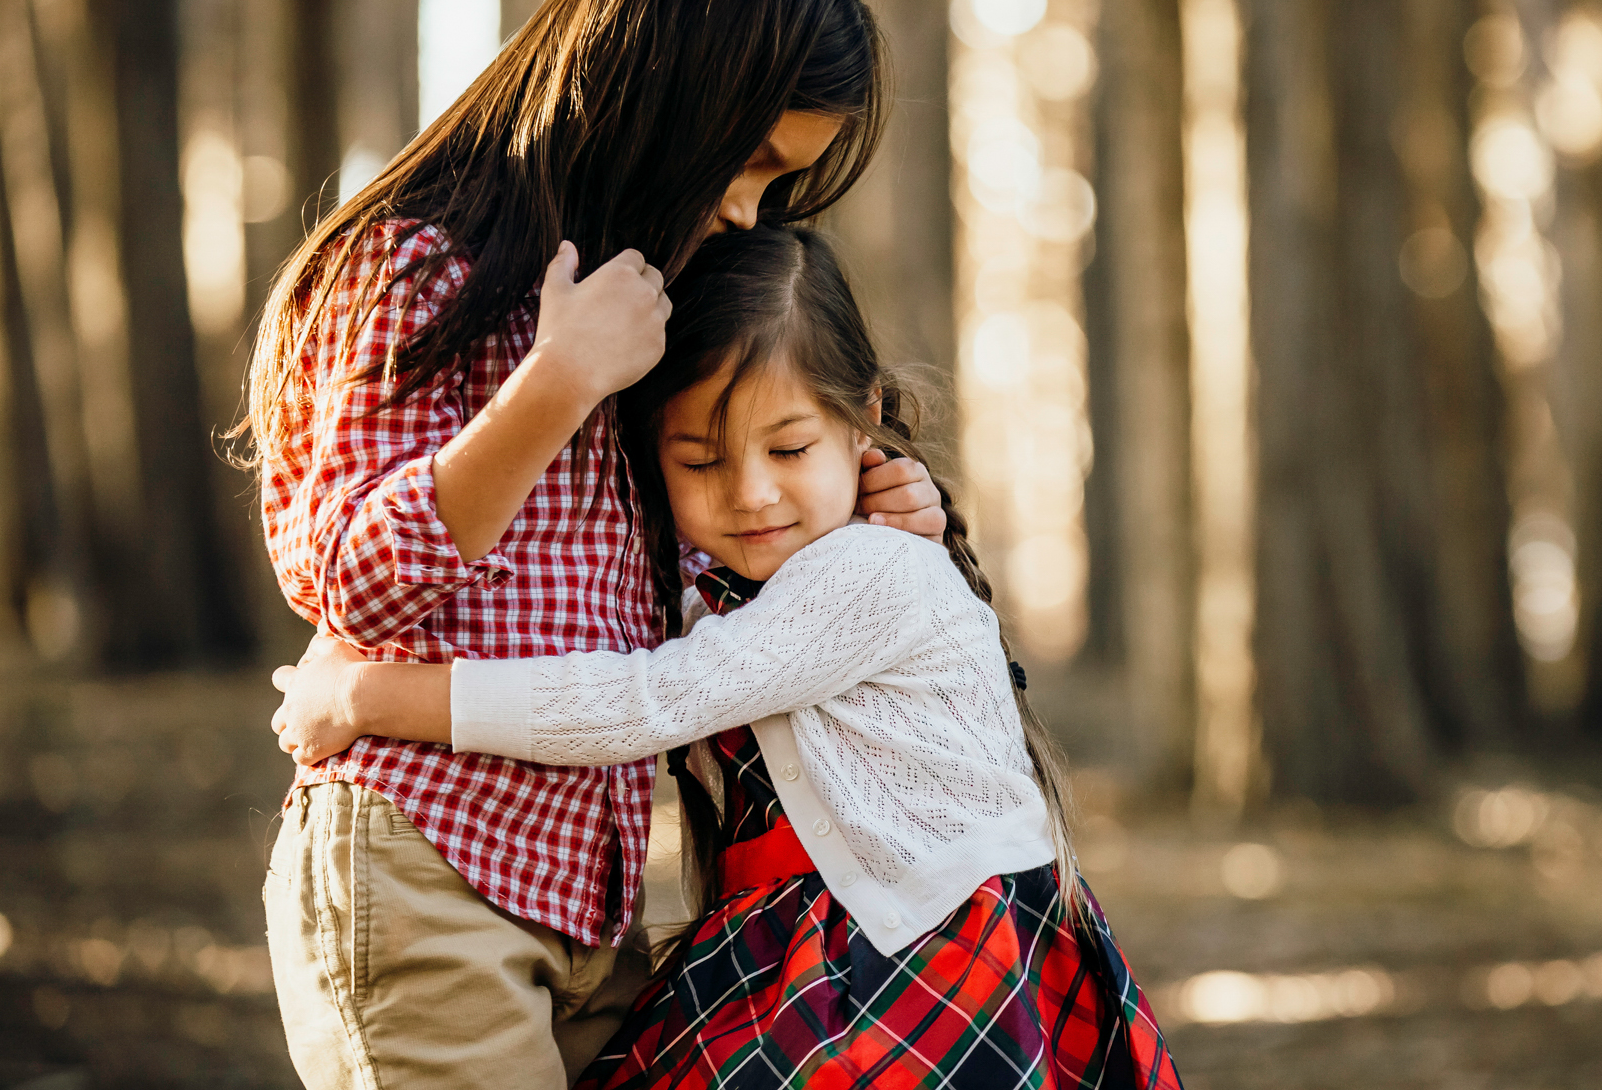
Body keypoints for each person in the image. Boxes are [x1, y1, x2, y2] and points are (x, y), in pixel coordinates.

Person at [241, 0, 946, 1089]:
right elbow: (348, 580)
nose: (745, 209)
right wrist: (551, 387)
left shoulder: (653, 301)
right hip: (427, 867)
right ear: (664, 92)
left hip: (593, 910)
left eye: (782, 189)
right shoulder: (424, 265)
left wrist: (864, 522)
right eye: (749, 163)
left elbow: (688, 609)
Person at [273, 225, 1182, 1089]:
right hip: (814, 951)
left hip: (925, 965)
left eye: (789, 447)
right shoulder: (726, 597)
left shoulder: (871, 569)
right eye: (700, 461)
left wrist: (365, 698)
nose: (750, 494)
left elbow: (639, 702)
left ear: (863, 419)